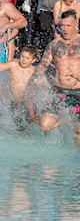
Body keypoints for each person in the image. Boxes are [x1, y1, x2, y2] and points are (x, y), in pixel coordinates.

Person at [37, 10, 80, 144]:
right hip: (59, 91)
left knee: (78, 133)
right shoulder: (54, 45)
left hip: (78, 92)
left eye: (68, 26)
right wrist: (40, 79)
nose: (64, 29)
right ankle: (66, 120)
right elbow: (41, 68)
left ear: (76, 24)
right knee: (44, 125)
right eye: (62, 26)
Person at [0, 45, 43, 134]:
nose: (23, 60)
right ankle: (25, 141)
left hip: (28, 103)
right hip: (14, 102)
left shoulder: (33, 70)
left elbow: (43, 82)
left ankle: (45, 132)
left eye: (27, 58)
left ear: (33, 60)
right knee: (20, 127)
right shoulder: (13, 65)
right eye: (22, 56)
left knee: (35, 123)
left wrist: (39, 82)